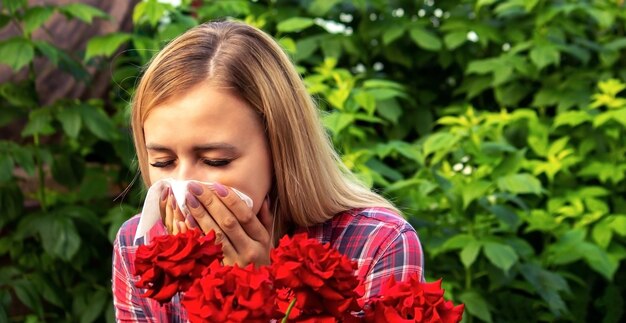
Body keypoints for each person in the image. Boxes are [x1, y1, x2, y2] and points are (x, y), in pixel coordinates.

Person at [112, 20, 423, 321]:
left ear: (281, 149)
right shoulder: (137, 245)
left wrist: (262, 295)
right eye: (163, 162)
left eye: (216, 160)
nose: (183, 186)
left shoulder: (376, 242)